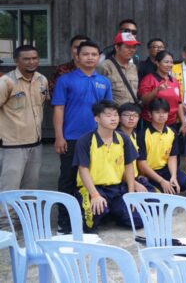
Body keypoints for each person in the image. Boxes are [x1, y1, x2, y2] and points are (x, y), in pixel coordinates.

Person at [52, 40, 112, 234]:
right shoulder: (65, 80)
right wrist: (59, 136)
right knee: (68, 180)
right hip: (71, 137)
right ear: (77, 56)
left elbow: (108, 112)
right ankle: (64, 222)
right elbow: (59, 109)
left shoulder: (104, 82)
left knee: (91, 179)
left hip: (96, 138)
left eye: (94, 54)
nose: (90, 58)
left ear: (99, 57)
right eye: (85, 54)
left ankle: (90, 217)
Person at [74, 100, 144, 232]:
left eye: (115, 115)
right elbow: (83, 169)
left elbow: (129, 166)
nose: (113, 119)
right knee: (89, 225)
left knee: (138, 221)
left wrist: (130, 193)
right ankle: (102, 211)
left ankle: (112, 211)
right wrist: (94, 195)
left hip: (116, 189)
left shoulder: (123, 138)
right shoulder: (85, 140)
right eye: (108, 115)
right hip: (93, 188)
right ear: (97, 118)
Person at [0, 45, 48, 200]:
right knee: (9, 189)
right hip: (11, 147)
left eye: (34, 58)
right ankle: (6, 224)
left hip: (35, 144)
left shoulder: (42, 80)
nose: (31, 62)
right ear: (16, 61)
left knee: (30, 190)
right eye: (26, 59)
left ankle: (25, 223)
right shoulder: (6, 82)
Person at [135, 98, 186, 195]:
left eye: (164, 112)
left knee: (185, 181)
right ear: (150, 114)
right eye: (157, 112)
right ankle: (161, 188)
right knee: (156, 194)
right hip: (148, 173)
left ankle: (165, 188)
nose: (161, 115)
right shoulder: (142, 134)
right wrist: (162, 181)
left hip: (165, 170)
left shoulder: (172, 132)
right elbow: (141, 164)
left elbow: (172, 157)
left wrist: (173, 176)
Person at [138, 51, 181, 128]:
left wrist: (183, 123)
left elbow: (179, 103)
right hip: (152, 123)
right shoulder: (148, 79)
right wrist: (157, 90)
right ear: (157, 63)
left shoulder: (174, 81)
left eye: (171, 62)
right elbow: (144, 100)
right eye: (166, 62)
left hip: (172, 123)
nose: (169, 65)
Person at [115, 103, 152, 193]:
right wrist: (134, 184)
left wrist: (140, 176)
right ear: (119, 118)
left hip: (135, 178)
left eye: (135, 116)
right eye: (127, 115)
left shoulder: (135, 135)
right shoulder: (115, 137)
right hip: (119, 181)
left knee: (154, 197)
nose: (131, 118)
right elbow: (115, 167)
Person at [98, 31, 140, 106]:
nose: (132, 50)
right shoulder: (104, 66)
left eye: (134, 47)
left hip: (132, 114)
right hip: (114, 114)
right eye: (128, 46)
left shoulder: (134, 67)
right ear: (117, 47)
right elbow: (98, 93)